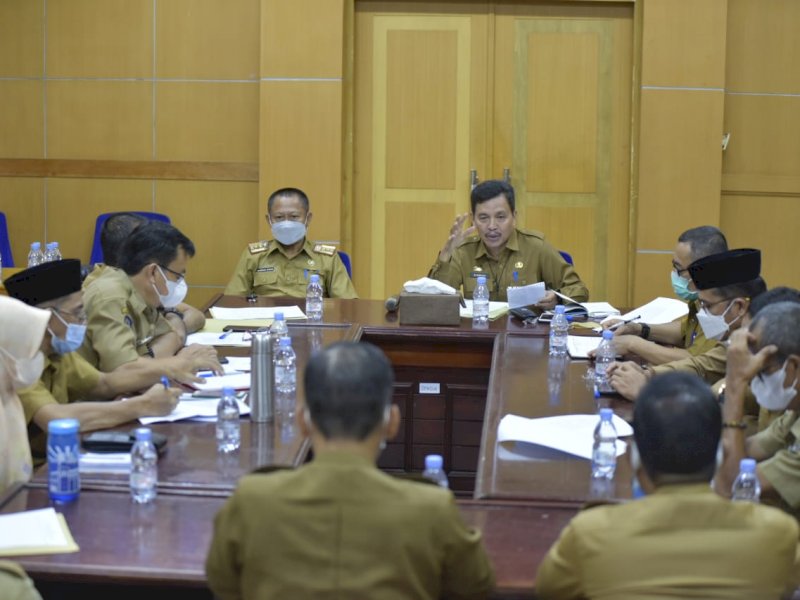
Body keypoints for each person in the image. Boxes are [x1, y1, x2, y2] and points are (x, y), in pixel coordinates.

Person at [206, 341, 494, 599]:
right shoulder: (432, 509)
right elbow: (476, 587)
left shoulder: (252, 500)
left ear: (303, 422)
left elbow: (224, 585)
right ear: (392, 422)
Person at [536, 372, 800, 599]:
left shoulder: (589, 534)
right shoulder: (779, 534)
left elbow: (549, 591)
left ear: (634, 458)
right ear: (722, 455)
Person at [4, 259, 182, 462]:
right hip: (26, 473)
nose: (84, 321)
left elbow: (104, 384)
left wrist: (169, 370)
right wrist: (144, 405)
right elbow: (55, 419)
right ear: (45, 317)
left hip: (59, 457)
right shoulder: (14, 359)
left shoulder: (56, 350)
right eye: (78, 313)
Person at [608, 249, 765, 400]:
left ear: (739, 307)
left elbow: (719, 400)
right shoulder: (740, 337)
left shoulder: (767, 341)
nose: (702, 313)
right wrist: (649, 374)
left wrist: (647, 392)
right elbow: (701, 366)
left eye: (707, 305)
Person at [80, 220, 221, 378]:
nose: (179, 283)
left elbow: (172, 336)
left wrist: (149, 361)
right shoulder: (110, 296)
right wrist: (183, 362)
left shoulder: (143, 294)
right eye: (177, 276)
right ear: (153, 272)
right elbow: (122, 372)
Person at [428, 179, 588, 308]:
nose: (492, 226)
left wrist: (557, 299)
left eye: (500, 217)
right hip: (479, 334)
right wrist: (446, 254)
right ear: (473, 220)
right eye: (483, 218)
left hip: (527, 336)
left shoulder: (536, 247)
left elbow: (579, 289)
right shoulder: (463, 251)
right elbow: (434, 301)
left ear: (514, 217)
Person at [714, 302, 800, 516]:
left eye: (762, 370)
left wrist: (735, 382)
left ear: (794, 366)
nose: (753, 379)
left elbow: (732, 487)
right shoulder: (793, 413)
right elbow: (745, 453)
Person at [597, 226, 727, 364]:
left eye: (678, 268)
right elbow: (685, 331)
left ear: (703, 270)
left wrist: (633, 344)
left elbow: (698, 362)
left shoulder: (724, 304)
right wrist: (638, 329)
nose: (674, 274)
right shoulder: (702, 294)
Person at [83, 212, 205, 335]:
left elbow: (196, 316)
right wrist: (171, 333)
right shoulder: (107, 295)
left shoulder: (144, 284)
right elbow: (135, 350)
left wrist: (174, 328)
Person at [225, 187, 358, 298]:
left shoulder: (327, 258)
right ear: (269, 220)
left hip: (312, 324)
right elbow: (232, 301)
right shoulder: (253, 256)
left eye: (294, 217)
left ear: (308, 218)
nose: (286, 223)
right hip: (266, 325)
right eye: (279, 217)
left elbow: (346, 306)